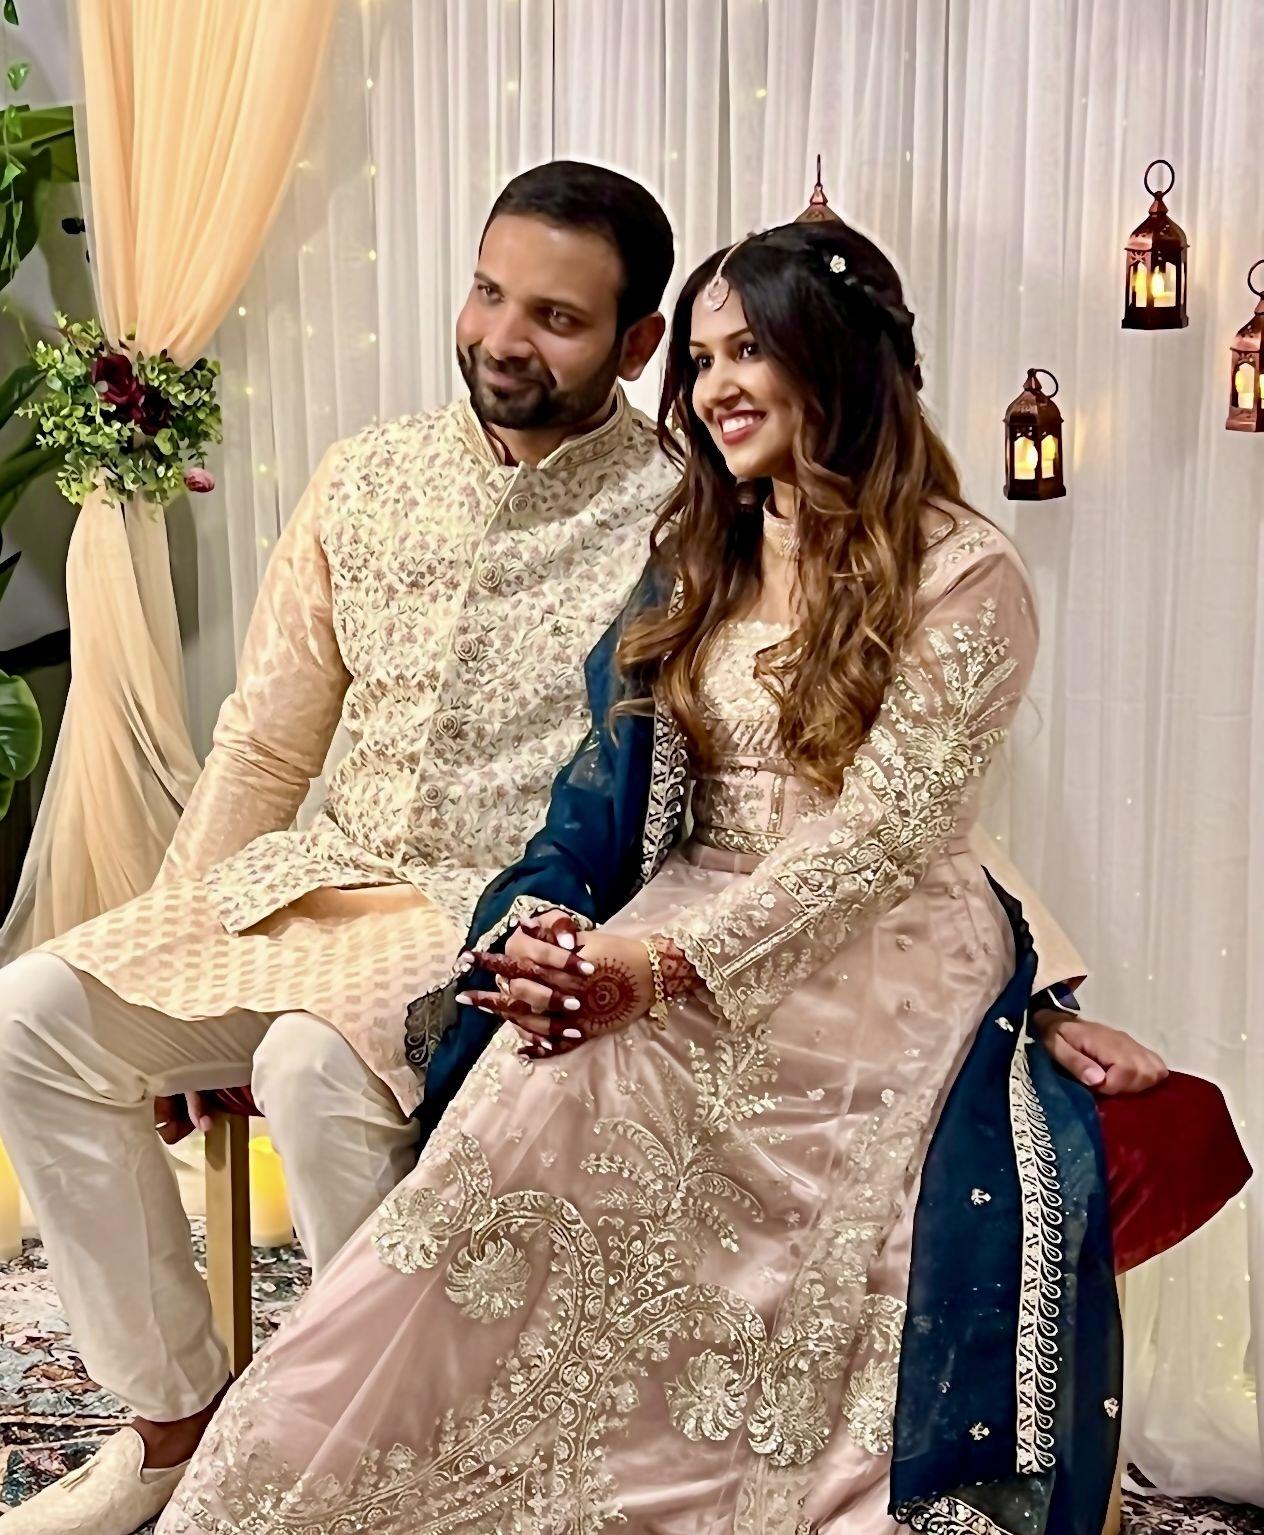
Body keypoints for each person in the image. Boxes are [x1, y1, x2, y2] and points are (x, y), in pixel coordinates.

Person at [156, 219, 1140, 1535]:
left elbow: (885, 837)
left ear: (835, 362)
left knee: (656, 1095)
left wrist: (662, 966)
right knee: (536, 1086)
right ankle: (381, 1472)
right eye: (704, 357)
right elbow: (607, 783)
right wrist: (561, 932)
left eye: (751, 351)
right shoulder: (707, 551)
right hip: (683, 905)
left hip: (882, 947)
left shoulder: (964, 570)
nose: (716, 385)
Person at [0, 161, 681, 1535]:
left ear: (640, 342)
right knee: (33, 1018)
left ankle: (394, 1472)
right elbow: (264, 744)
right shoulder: (368, 477)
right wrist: (176, 955)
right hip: (316, 881)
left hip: (493, 910)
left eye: (555, 318)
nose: (501, 338)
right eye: (487, 293)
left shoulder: (681, 519)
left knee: (312, 1058)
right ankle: (177, 1421)